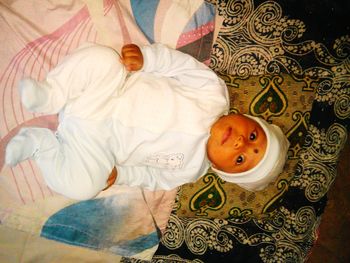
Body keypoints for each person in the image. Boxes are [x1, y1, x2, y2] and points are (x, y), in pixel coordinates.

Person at [5, 43, 289, 200]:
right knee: (103, 59)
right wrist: (148, 60)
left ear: (220, 169)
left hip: (96, 143)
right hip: (106, 94)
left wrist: (124, 175)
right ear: (245, 118)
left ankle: (39, 146)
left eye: (239, 160)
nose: (240, 143)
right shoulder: (213, 94)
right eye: (253, 137)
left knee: (84, 188)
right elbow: (180, 66)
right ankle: (50, 94)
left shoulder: (189, 170)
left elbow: (152, 177)